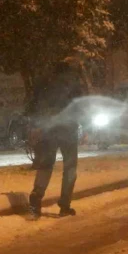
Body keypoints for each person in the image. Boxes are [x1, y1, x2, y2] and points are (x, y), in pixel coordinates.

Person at [26, 58, 89, 219]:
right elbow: (80, 107)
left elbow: (33, 106)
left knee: (46, 165)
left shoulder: (43, 82)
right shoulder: (73, 84)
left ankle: (36, 197)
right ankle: (65, 205)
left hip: (48, 129)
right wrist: (86, 127)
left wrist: (35, 126)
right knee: (70, 168)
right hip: (68, 130)